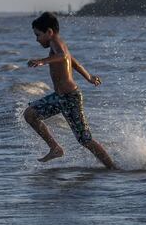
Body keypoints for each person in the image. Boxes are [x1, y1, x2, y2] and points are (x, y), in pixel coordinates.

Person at [23, 12, 116, 169]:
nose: (37, 39)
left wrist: (41, 61)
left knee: (85, 140)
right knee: (30, 114)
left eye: (38, 35)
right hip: (61, 97)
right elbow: (74, 62)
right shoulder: (57, 45)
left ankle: (113, 168)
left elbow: (63, 56)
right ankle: (55, 148)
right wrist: (89, 77)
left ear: (49, 32)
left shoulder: (56, 43)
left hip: (70, 98)